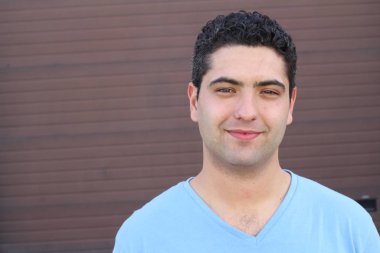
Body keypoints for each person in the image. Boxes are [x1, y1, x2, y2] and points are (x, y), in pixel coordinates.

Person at [113, 10, 380, 252]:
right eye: (226, 90)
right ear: (194, 101)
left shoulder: (350, 228)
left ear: (290, 105)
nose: (247, 111)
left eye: (268, 92)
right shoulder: (142, 238)